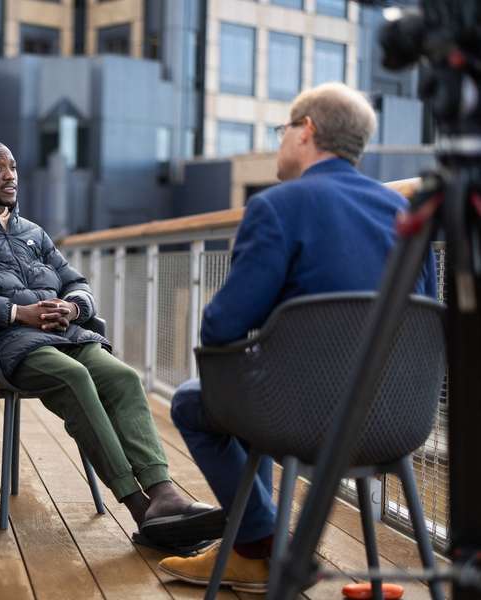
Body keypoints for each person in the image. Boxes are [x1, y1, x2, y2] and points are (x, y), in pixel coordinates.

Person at [158, 83, 437, 593]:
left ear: (306, 130)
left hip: (299, 421)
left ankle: (264, 544)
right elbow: (429, 323)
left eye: (282, 130)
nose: (280, 140)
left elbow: (221, 327)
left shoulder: (278, 207)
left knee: (194, 401)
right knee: (250, 394)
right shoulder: (410, 216)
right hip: (399, 423)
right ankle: (253, 549)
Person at [0, 138, 225, 547]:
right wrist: (14, 312)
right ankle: (139, 508)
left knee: (123, 378)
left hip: (65, 335)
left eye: (12, 166)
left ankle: (163, 492)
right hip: (2, 345)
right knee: (74, 377)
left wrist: (74, 308)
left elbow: (76, 281)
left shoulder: (32, 233)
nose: (10, 175)